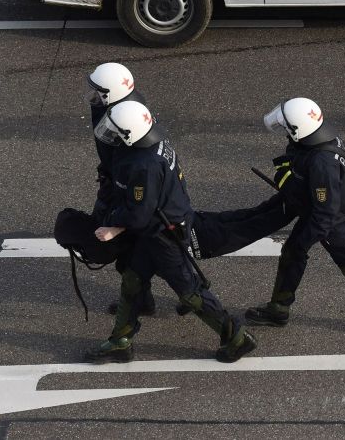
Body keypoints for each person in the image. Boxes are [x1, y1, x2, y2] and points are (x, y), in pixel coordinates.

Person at [86, 100, 257, 363]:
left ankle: (235, 337)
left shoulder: (143, 165)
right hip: (160, 229)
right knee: (133, 277)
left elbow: (139, 213)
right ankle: (121, 340)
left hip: (162, 236)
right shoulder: (155, 143)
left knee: (190, 292)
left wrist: (113, 224)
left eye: (118, 131)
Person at [244, 98, 345, 338]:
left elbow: (325, 212)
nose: (284, 130)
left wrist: (305, 239)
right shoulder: (321, 136)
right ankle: (278, 309)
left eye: (287, 126)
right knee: (292, 252)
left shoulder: (322, 163)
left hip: (329, 221)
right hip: (325, 212)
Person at [86, 63, 161, 317]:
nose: (94, 97)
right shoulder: (126, 108)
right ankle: (142, 299)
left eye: (98, 92)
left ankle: (139, 303)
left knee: (132, 255)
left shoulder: (121, 118)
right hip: (120, 185)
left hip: (126, 192)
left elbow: (125, 163)